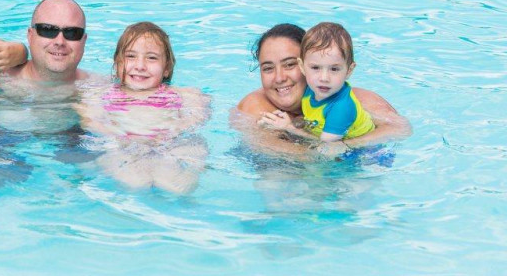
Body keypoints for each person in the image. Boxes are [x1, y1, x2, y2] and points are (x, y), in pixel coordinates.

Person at [234, 23, 410, 158]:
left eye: (289, 64)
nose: (279, 78)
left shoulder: (352, 101)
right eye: (268, 68)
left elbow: (400, 128)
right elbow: (280, 155)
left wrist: (347, 145)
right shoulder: (255, 108)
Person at [76, 22, 210, 193]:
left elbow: (199, 115)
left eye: (151, 58)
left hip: (169, 145)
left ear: (167, 68)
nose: (140, 66)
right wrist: (120, 136)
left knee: (179, 184)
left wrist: (173, 131)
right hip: (123, 147)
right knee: (136, 182)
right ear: (117, 64)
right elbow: (89, 121)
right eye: (131, 56)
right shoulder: (100, 94)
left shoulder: (183, 95)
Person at [257, 22, 375, 152]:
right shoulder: (311, 90)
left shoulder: (342, 107)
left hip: (368, 153)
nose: (324, 78)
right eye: (315, 68)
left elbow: (325, 146)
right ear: (303, 67)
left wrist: (288, 127)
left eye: (334, 69)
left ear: (349, 70)